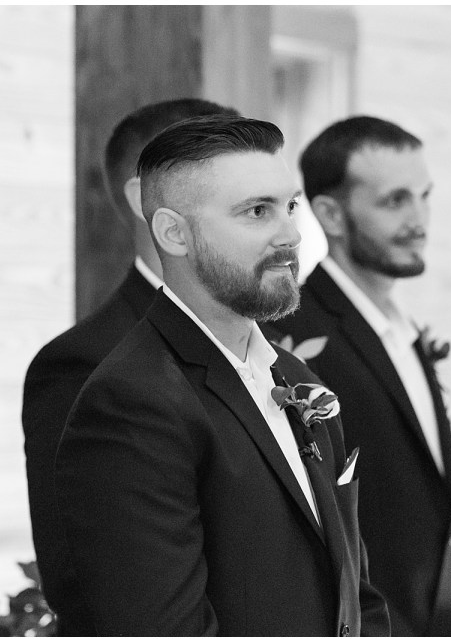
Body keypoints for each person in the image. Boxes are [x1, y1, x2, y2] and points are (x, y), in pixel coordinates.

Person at [54, 114, 390, 636]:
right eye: (257, 211)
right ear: (174, 233)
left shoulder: (296, 375)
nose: (291, 235)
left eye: (290, 207)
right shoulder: (132, 401)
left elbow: (354, 593)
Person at [264, 116, 451, 636]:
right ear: (331, 214)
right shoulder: (293, 337)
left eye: (425, 196)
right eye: (395, 201)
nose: (420, 220)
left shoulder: (405, 331)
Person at [21, 98, 236, 635]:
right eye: (227, 183)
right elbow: (89, 584)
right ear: (147, 201)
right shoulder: (83, 363)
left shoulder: (276, 352)